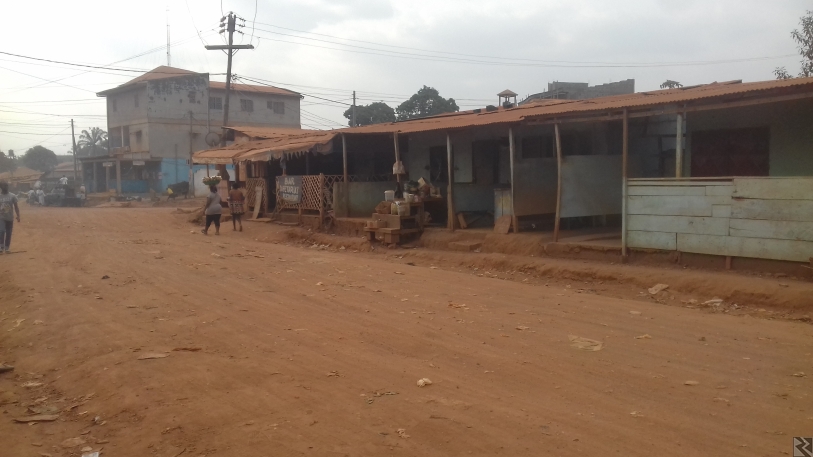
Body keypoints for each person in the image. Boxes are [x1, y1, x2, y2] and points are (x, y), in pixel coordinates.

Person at [0, 182, 21, 254]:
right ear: (1, 187)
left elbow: (16, 207)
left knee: (9, 233)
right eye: (4, 186)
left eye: (6, 186)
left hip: (10, 217)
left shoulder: (13, 196)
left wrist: (18, 216)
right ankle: (1, 247)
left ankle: (7, 248)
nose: (6, 187)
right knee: (1, 231)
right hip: (1, 217)